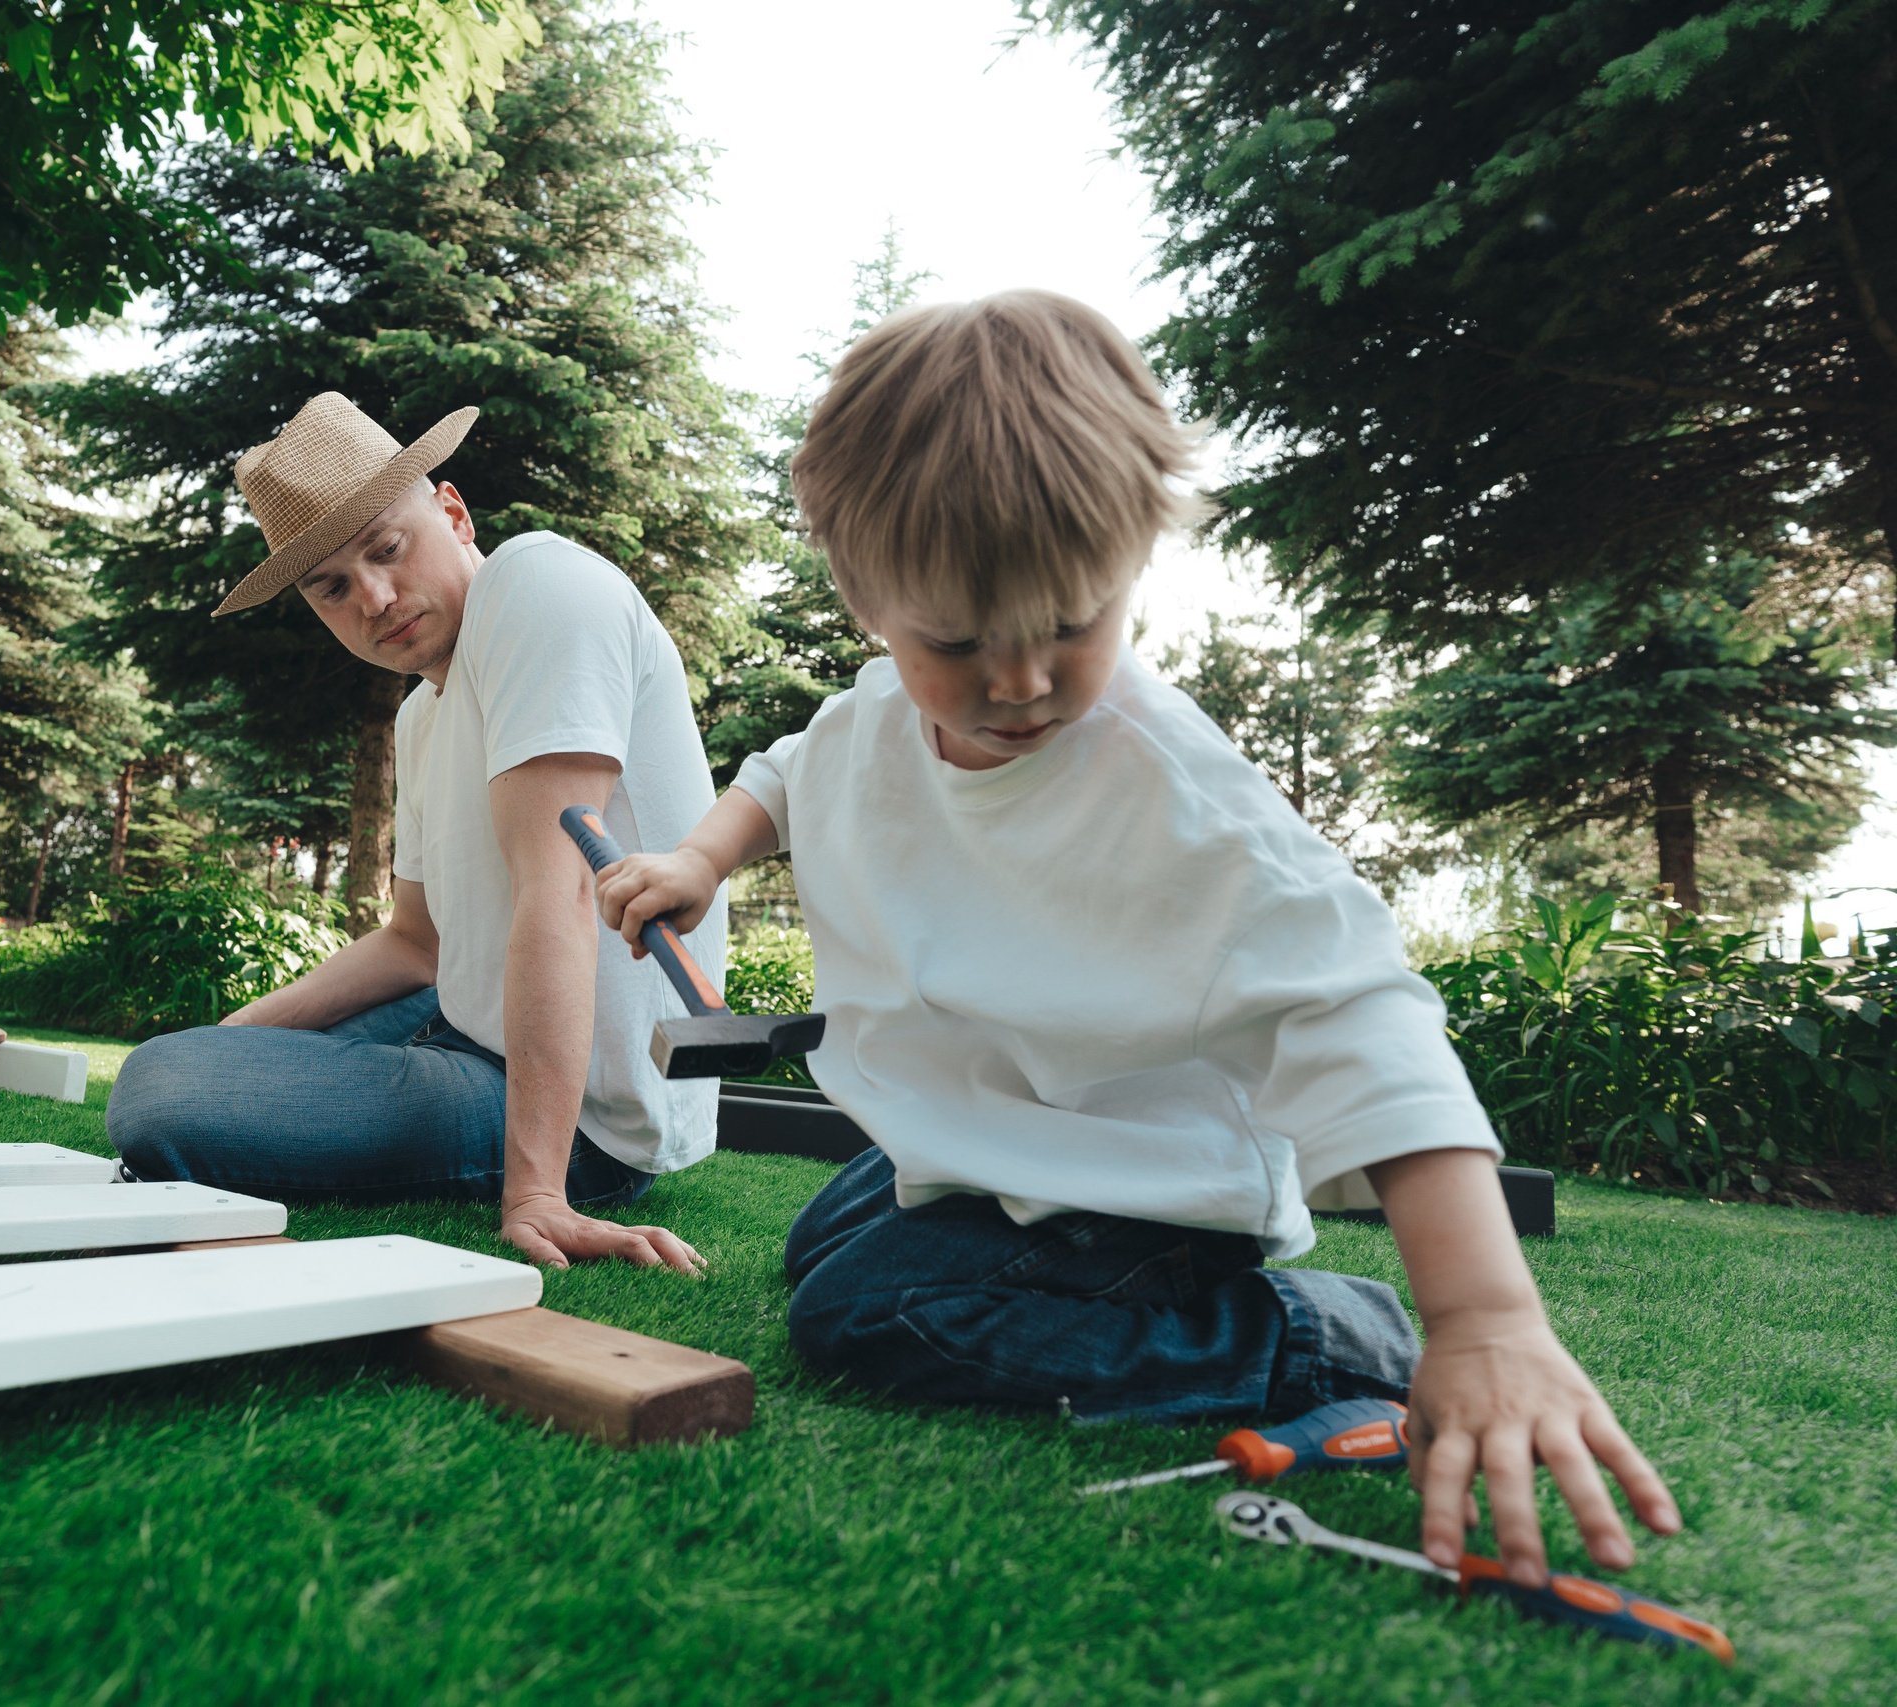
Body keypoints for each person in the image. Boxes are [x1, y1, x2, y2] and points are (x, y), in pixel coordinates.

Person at [590, 292, 1680, 1584]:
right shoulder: (876, 705)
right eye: (959, 641)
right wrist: (701, 854)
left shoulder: (1186, 799)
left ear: (1134, 565)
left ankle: (1314, 1337)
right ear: (865, 591)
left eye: (1073, 624)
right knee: (827, 1239)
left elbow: (1360, 1010)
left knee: (863, 1308)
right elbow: (787, 767)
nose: (1021, 683)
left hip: (1142, 1182)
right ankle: (1103, 1274)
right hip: (1008, 1140)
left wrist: (1485, 1312)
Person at [107, 392, 719, 1274]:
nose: (376, 599)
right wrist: (233, 1039)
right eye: (332, 588)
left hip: (582, 1112)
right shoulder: (419, 717)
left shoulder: (539, 586)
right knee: (189, 1063)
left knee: (158, 1091)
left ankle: (546, 1163)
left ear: (454, 510)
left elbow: (566, 885)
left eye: (387, 549)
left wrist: (537, 1191)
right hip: (461, 1021)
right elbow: (414, 944)